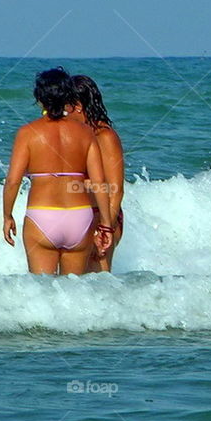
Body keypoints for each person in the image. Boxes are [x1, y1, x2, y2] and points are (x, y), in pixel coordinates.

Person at [2, 67, 114, 275]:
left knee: (42, 292)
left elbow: (13, 181)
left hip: (42, 216)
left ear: (39, 98)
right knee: (74, 293)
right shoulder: (86, 133)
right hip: (79, 218)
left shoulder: (27, 133)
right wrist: (106, 225)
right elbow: (99, 183)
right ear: (69, 96)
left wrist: (7, 215)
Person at [68, 74, 125, 273]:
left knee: (99, 280)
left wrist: (105, 227)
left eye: (64, 107)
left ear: (77, 106)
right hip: (80, 216)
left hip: (103, 217)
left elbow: (116, 189)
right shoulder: (75, 134)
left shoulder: (105, 136)